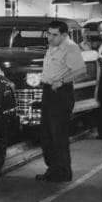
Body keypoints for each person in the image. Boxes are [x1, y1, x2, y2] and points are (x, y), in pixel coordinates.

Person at [37, 20, 86, 182]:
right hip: (48, 92)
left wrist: (62, 81)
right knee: (47, 135)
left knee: (58, 135)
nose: (50, 37)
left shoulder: (70, 48)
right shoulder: (52, 47)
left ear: (64, 35)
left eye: (54, 35)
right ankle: (53, 168)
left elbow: (81, 70)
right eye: (48, 34)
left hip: (61, 94)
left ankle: (63, 171)